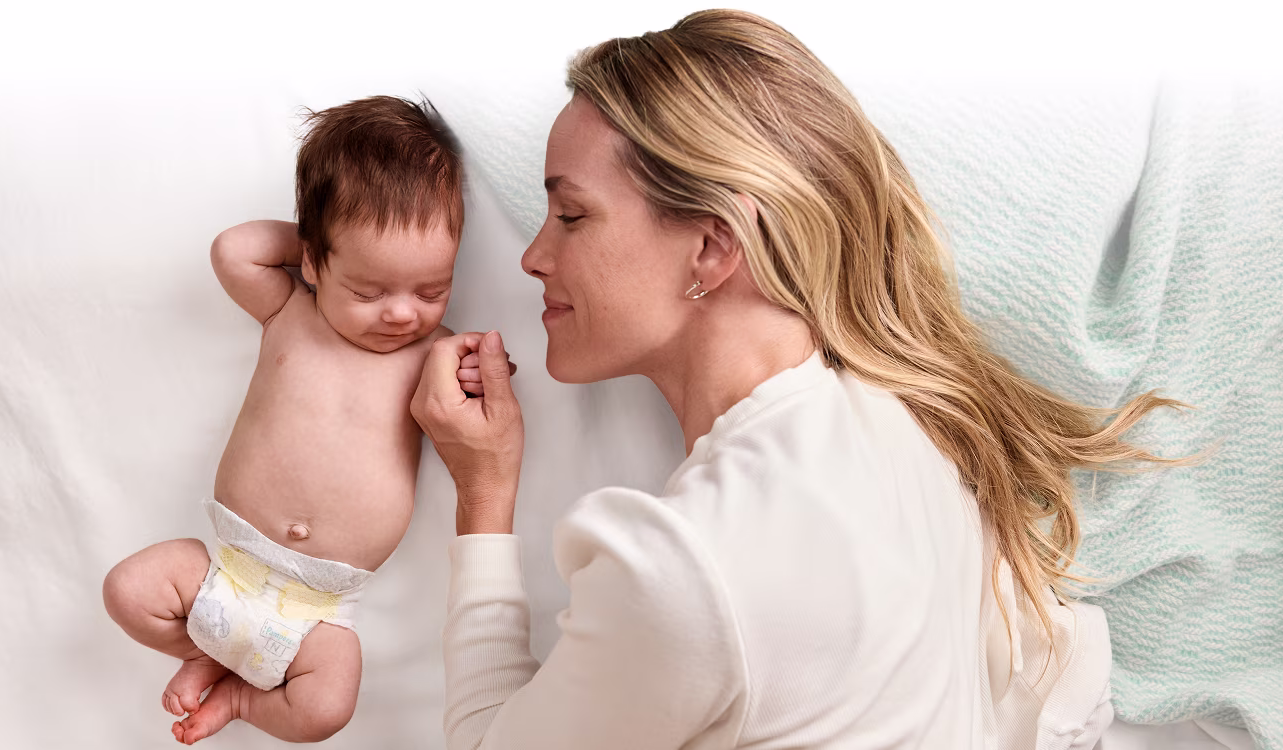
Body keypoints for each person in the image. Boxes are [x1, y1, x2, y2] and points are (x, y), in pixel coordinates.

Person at [419, 10, 1186, 749]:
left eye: (573, 216)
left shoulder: (685, 571)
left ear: (713, 248)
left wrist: (483, 494)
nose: (533, 255)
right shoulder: (916, 429)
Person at [102, 95, 470, 745]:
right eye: (367, 289)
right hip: (224, 568)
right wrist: (317, 237)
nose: (401, 314)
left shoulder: (430, 353)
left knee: (325, 709)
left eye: (430, 289)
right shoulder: (288, 313)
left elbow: (465, 408)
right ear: (312, 261)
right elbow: (233, 250)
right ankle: (207, 651)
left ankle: (241, 700)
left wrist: (470, 373)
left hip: (320, 611)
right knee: (128, 590)